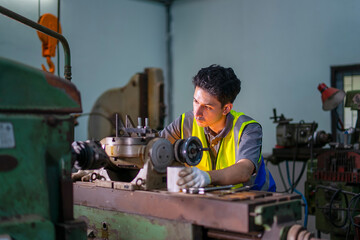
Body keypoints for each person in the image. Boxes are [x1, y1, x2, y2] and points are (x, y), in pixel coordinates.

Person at [160, 64, 276, 192]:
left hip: (254, 199)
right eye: (196, 101)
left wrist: (207, 177)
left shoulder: (248, 129)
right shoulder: (185, 122)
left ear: (226, 108)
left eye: (207, 107)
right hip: (213, 199)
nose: (197, 112)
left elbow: (244, 170)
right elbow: (156, 146)